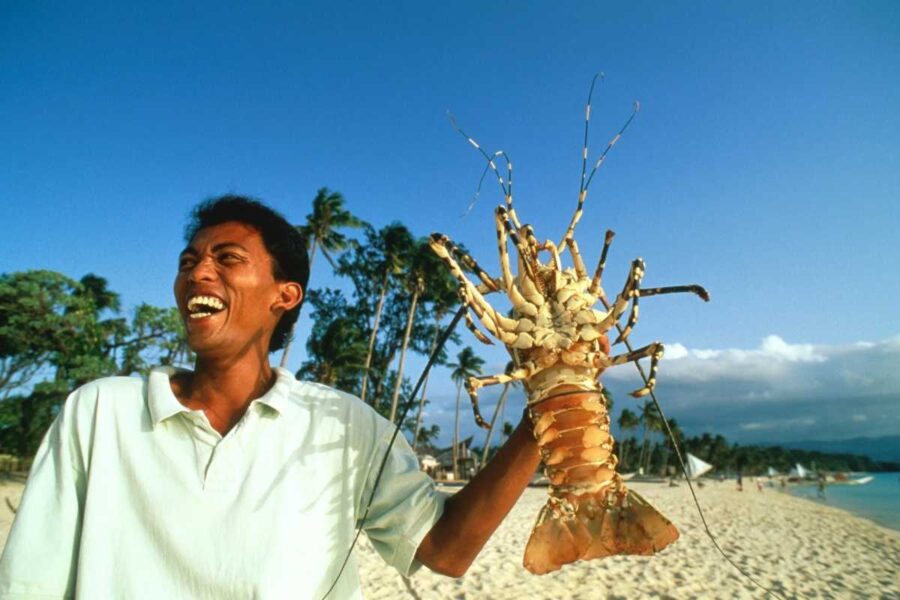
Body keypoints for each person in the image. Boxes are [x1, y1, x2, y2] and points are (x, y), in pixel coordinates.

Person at [0, 196, 544, 599]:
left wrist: (546, 409)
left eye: (227, 258)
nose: (198, 272)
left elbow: (445, 552)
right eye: (188, 261)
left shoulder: (345, 426)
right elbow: (29, 581)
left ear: (285, 296)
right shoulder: (100, 412)